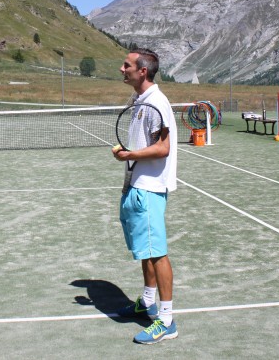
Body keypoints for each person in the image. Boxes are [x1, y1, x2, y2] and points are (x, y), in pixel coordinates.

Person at [112, 48, 178, 344]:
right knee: (144, 250)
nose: (121, 68)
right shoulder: (141, 101)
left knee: (157, 252)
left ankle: (166, 320)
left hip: (150, 188)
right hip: (136, 185)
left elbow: (163, 148)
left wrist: (130, 154)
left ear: (142, 71)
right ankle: (147, 302)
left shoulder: (157, 102)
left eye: (126, 65)